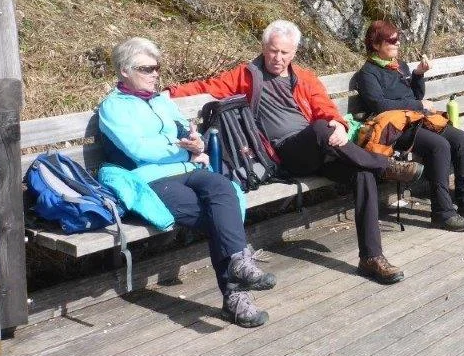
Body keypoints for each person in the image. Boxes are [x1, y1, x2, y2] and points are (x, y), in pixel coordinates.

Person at [168, 20, 422, 286]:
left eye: (284, 53)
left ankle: (371, 257)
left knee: (361, 173)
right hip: (285, 155)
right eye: (273, 51)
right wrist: (165, 93)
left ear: (294, 53)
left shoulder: (304, 77)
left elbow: (326, 109)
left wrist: (338, 124)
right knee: (321, 130)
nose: (278, 58)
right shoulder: (247, 75)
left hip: (323, 149)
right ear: (264, 48)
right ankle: (384, 165)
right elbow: (207, 87)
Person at [98, 37, 274, 329]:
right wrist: (181, 148)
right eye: (147, 68)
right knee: (219, 217)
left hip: (188, 168)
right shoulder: (113, 108)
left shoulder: (161, 102)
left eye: (157, 68)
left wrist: (196, 142)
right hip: (150, 179)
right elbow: (138, 150)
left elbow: (189, 132)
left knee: (223, 188)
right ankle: (236, 295)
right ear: (124, 70)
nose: (155, 74)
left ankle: (238, 269)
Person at [355, 20, 464, 232]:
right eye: (392, 40)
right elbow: (379, 105)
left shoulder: (399, 66)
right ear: (375, 44)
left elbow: (416, 94)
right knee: (439, 146)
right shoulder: (367, 74)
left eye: (398, 39)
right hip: (395, 128)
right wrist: (417, 105)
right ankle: (442, 212)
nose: (398, 44)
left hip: (417, 119)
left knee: (462, 139)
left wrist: (418, 75)